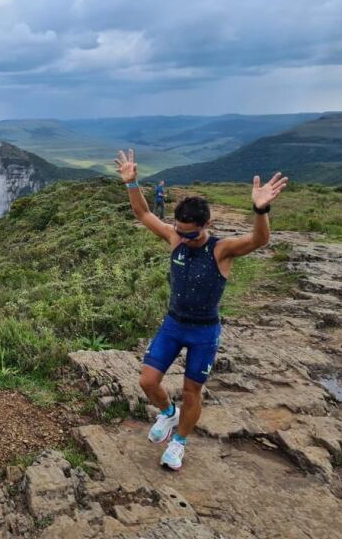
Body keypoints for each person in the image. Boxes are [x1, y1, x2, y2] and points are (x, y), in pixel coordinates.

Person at [115, 148, 287, 470]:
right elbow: (144, 215)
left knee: (192, 390)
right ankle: (169, 415)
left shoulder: (221, 250)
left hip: (204, 332)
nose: (182, 238)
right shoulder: (176, 238)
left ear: (207, 224)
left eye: (190, 233)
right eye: (179, 231)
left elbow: (259, 240)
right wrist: (131, 184)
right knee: (147, 382)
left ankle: (179, 442)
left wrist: (260, 209)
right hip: (173, 323)